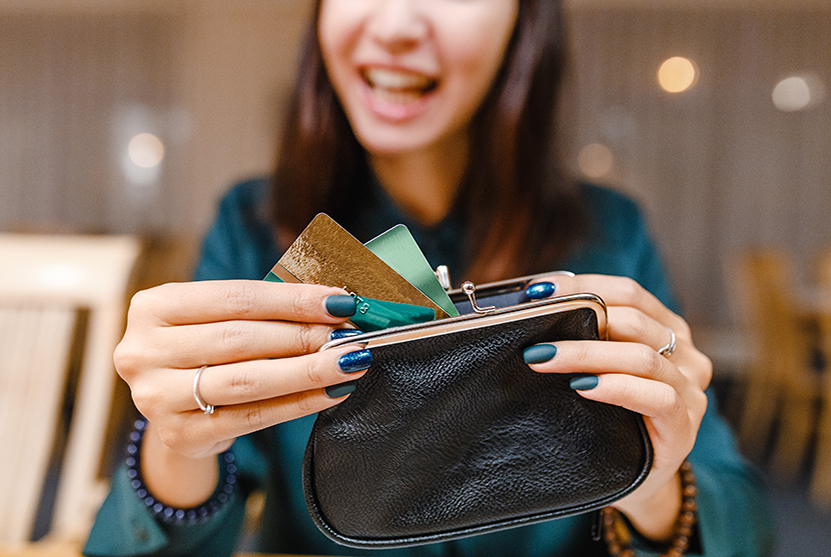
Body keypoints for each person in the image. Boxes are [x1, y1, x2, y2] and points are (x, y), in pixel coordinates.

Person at [84, 0, 774, 555]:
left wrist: (652, 485)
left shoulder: (613, 235)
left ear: (524, 20)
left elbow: (747, 525)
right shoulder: (254, 224)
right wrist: (175, 443)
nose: (394, 24)